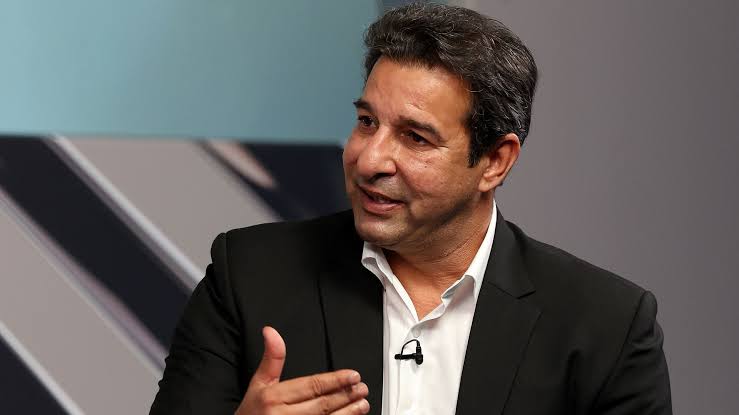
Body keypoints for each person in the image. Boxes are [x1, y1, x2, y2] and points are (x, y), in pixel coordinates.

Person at [150, 3, 671, 414]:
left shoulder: (606, 325)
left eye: (415, 137)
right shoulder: (247, 275)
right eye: (367, 122)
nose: (369, 159)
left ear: (494, 161)